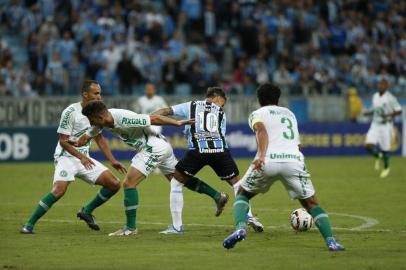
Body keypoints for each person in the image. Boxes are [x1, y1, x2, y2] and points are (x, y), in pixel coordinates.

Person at [74, 101, 228, 236]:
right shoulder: (102, 122)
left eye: (91, 119)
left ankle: (130, 228)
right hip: (160, 146)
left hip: (153, 147)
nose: (90, 122)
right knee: (178, 179)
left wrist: (178, 123)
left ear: (99, 117)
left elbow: (153, 118)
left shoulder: (123, 117)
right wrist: (76, 143)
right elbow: (89, 135)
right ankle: (217, 196)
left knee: (129, 184)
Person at [223, 83, 345, 251]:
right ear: (278, 99)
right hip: (293, 160)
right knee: (311, 203)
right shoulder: (290, 114)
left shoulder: (257, 114)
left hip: (267, 161)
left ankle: (241, 228)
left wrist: (263, 156)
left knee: (242, 194)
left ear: (259, 100)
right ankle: (331, 242)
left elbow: (261, 130)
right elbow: (298, 145)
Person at [21, 80, 126, 234]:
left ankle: (86, 211)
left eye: (100, 93)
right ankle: (29, 225)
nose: (99, 96)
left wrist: (113, 160)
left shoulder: (97, 112)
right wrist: (81, 157)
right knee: (59, 191)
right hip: (66, 157)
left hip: (84, 158)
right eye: (96, 93)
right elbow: (63, 141)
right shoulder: (70, 112)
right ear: (85, 94)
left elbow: (99, 139)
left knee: (114, 184)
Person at [154, 86, 264, 233]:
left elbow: (166, 111)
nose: (222, 106)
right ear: (217, 97)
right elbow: (220, 134)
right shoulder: (221, 113)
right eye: (222, 102)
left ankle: (177, 227)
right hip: (219, 151)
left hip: (197, 150)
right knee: (238, 184)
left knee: (176, 182)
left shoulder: (191, 105)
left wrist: (149, 118)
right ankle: (249, 216)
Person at [364, 77, 402, 178]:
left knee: (385, 149)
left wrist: (388, 115)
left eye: (383, 84)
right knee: (368, 145)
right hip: (375, 124)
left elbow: (399, 110)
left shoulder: (391, 98)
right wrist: (368, 113)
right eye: (380, 84)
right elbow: (375, 108)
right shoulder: (375, 96)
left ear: (387, 86)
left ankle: (386, 168)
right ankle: (378, 155)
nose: (380, 86)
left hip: (386, 126)